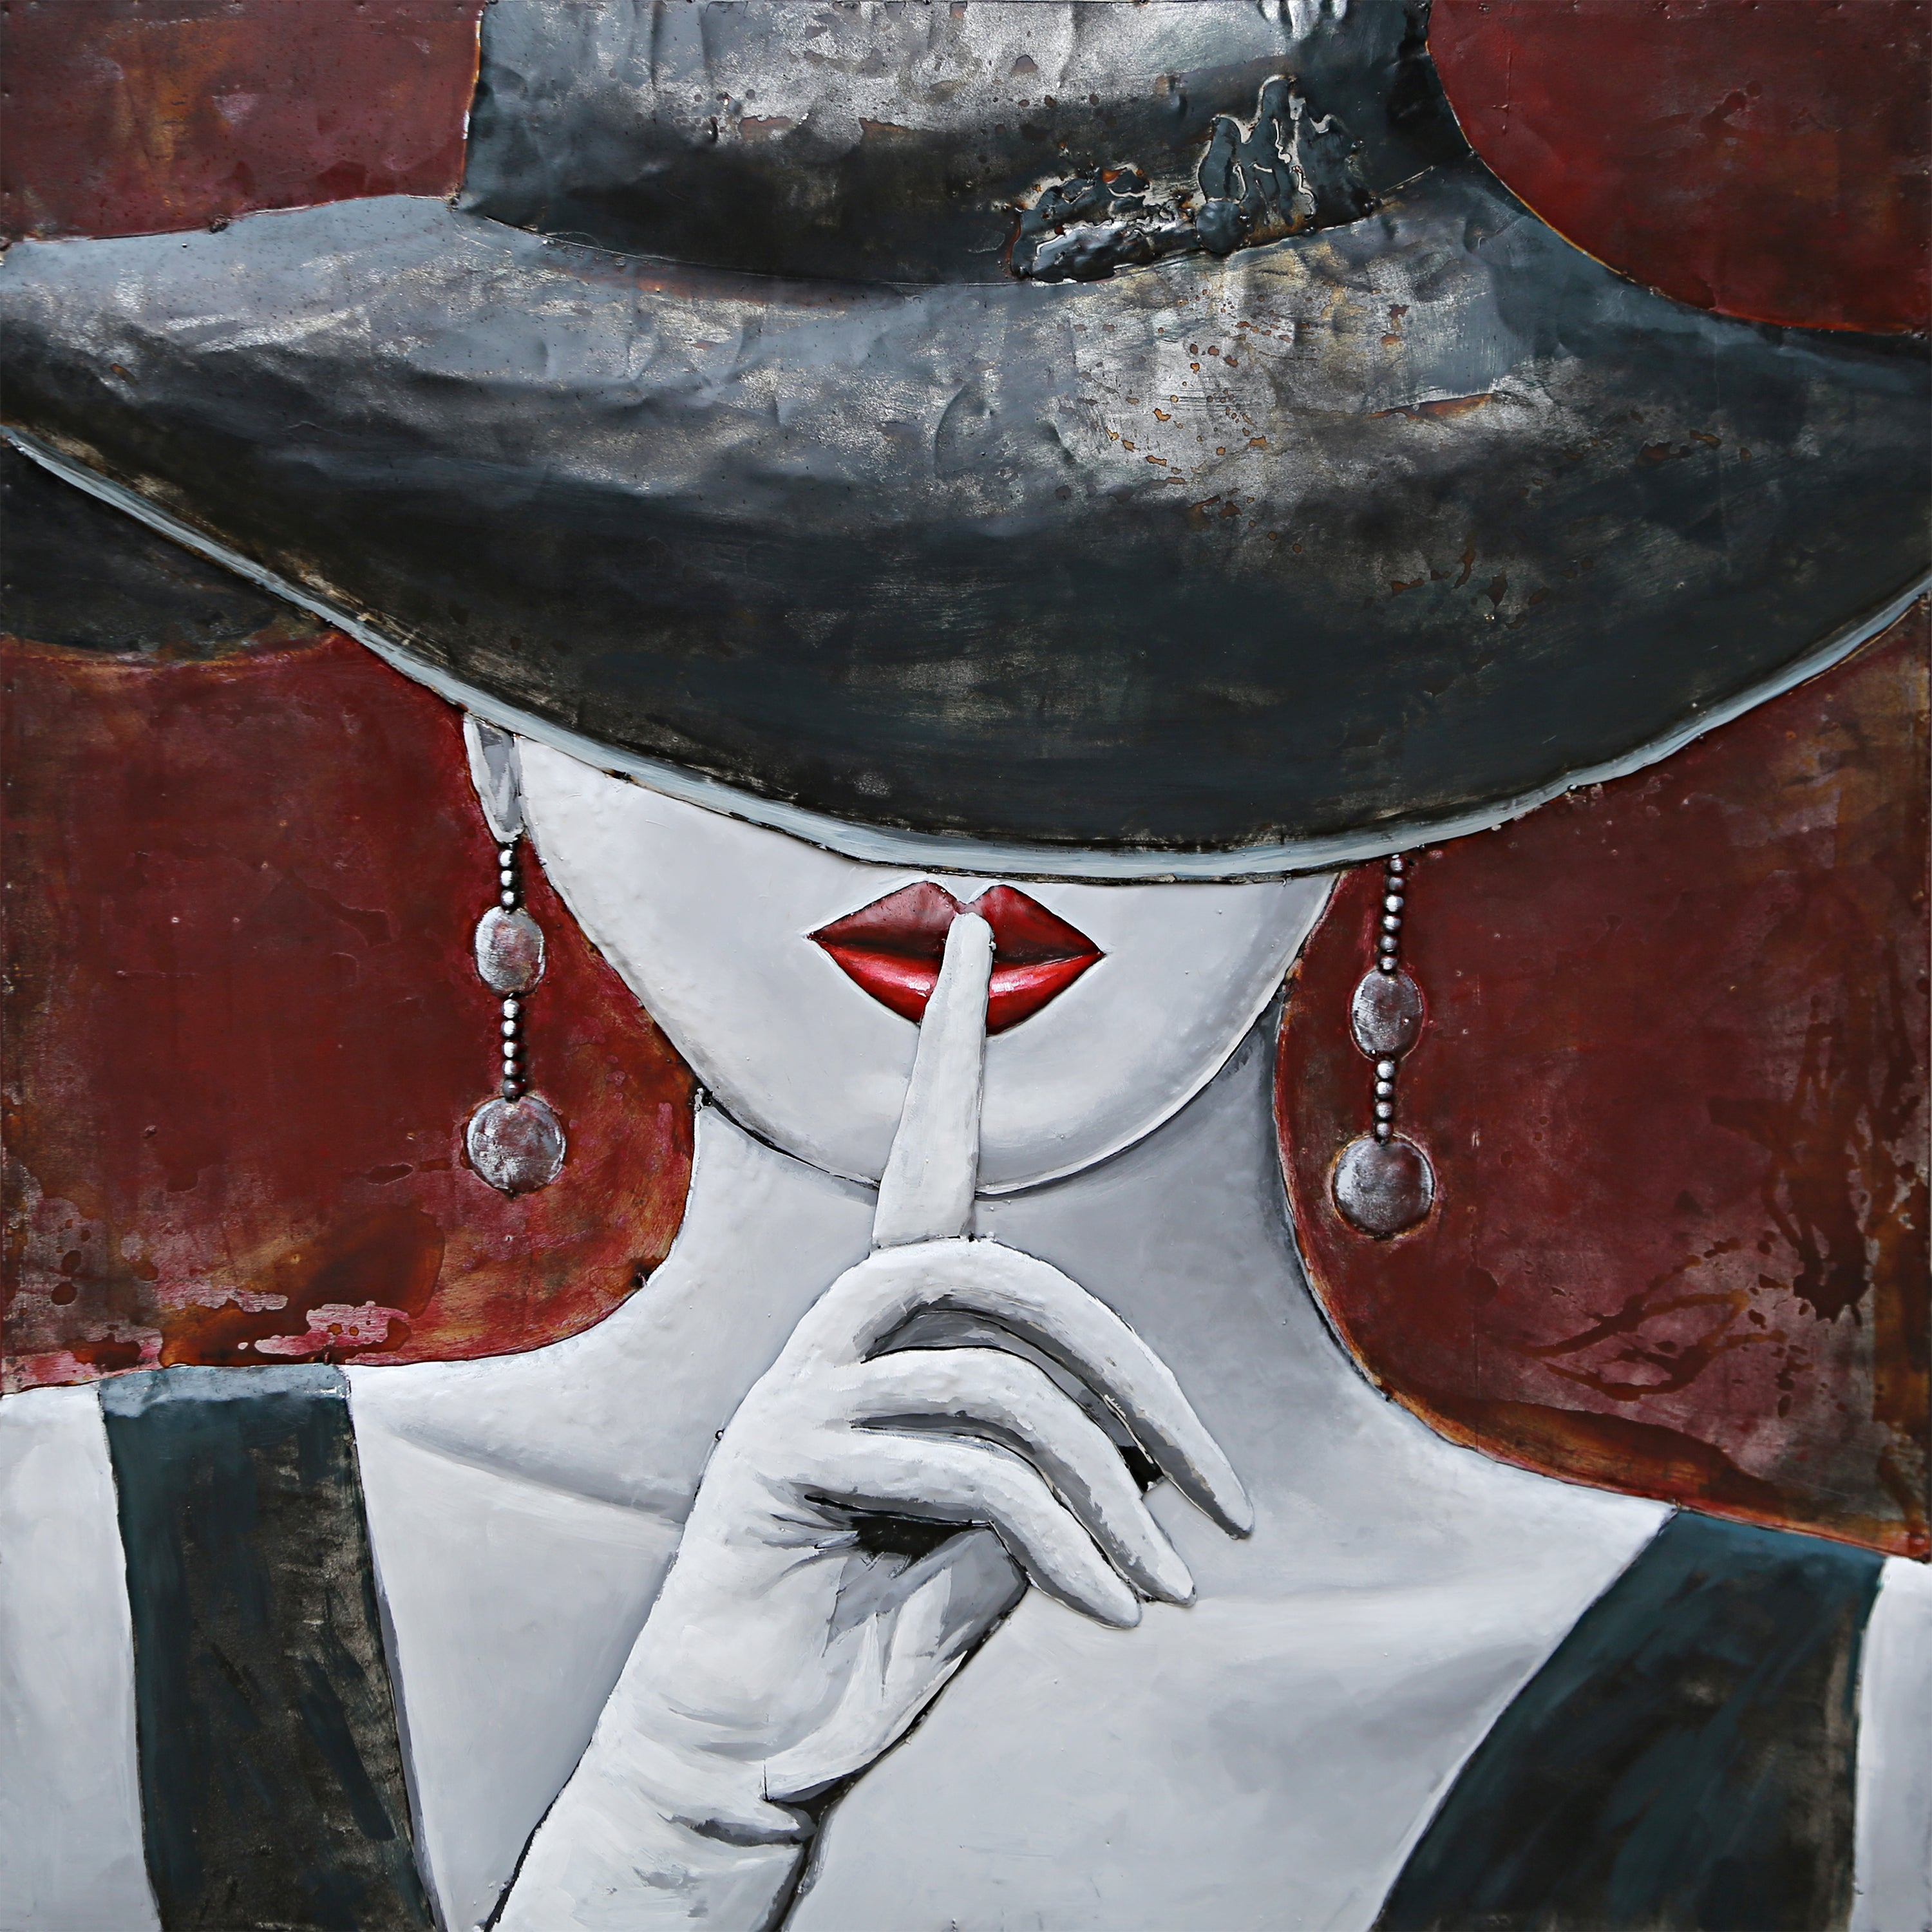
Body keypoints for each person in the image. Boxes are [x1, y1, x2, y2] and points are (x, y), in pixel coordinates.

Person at [1, 3, 1927, 1927]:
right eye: (729, 621)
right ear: (486, 725)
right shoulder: (75, 1591)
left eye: (1157, 605)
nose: (940, 816)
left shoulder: (1869, 1738)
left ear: (1426, 729)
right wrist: (667, 1842)